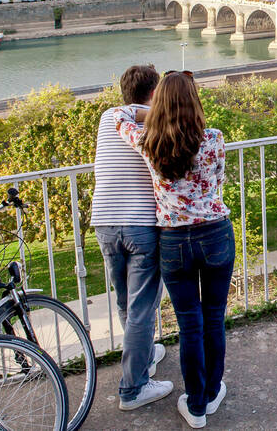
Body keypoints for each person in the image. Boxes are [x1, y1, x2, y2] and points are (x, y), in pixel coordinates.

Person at [115, 72, 233, 428]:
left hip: (173, 241)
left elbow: (119, 118)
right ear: (195, 102)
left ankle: (195, 407)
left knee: (189, 326)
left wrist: (144, 114)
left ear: (160, 104)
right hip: (215, 235)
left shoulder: (148, 141)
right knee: (214, 318)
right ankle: (212, 393)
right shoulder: (213, 139)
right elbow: (219, 180)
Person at [93, 65, 171, 411]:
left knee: (126, 302)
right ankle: (133, 388)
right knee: (142, 308)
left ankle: (144, 356)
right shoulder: (158, 124)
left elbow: (127, 112)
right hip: (140, 225)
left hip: (104, 223)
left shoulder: (109, 118)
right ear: (154, 94)